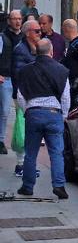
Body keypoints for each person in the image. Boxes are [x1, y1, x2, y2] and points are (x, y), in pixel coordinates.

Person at [15, 39, 70, 199]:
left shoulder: (26, 71)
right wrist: (64, 115)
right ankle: (59, 186)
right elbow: (66, 96)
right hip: (54, 113)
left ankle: (27, 186)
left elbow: (20, 95)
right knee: (56, 153)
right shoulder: (61, 70)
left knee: (30, 153)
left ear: (36, 52)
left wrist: (27, 110)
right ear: (51, 52)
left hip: (33, 113)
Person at [12, 19, 42, 176]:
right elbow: (19, 73)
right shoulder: (21, 49)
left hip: (34, 94)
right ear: (28, 33)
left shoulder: (35, 47)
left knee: (32, 131)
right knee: (23, 130)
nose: (40, 33)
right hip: (24, 95)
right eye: (36, 31)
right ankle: (21, 165)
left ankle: (27, 165)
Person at [0, 10, 23, 156]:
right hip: (6, 78)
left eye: (19, 19)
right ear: (9, 21)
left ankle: (21, 140)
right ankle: (1, 140)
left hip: (20, 80)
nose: (17, 21)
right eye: (14, 19)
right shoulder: (3, 37)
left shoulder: (24, 36)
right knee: (4, 111)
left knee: (21, 112)